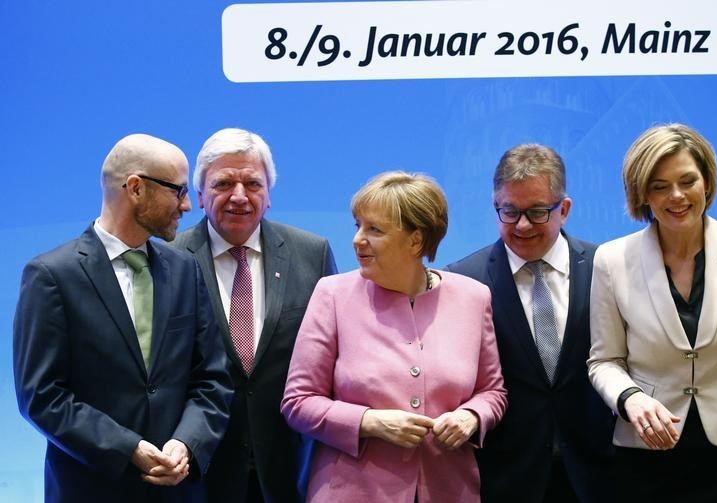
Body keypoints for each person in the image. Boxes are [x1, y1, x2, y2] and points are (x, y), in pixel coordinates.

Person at [12, 134, 233, 502]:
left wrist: (186, 443)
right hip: (89, 488)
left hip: (178, 491)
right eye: (178, 191)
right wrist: (128, 448)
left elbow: (212, 377)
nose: (187, 206)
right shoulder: (51, 275)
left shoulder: (185, 271)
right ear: (135, 188)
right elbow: (42, 396)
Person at [588, 123, 717, 502]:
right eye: (659, 185)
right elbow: (604, 361)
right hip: (645, 454)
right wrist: (630, 398)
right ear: (642, 195)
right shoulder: (612, 260)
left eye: (688, 181)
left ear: (707, 183)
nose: (677, 196)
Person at [281, 171, 507, 502]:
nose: (358, 239)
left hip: (449, 489)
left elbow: (492, 392)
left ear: (416, 241)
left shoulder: (473, 297)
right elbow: (298, 402)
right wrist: (370, 422)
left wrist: (470, 417)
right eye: (357, 225)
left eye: (374, 230)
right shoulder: (332, 294)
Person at [172, 127, 337, 502]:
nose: (239, 196)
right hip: (199, 470)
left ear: (269, 195)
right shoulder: (168, 259)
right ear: (199, 195)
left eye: (253, 183)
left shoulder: (311, 253)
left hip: (291, 466)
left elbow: (338, 353)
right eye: (223, 183)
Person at [447, 144, 616, 502]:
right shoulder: (464, 280)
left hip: (599, 473)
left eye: (537, 212)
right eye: (509, 211)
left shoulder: (608, 267)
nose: (522, 225)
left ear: (564, 209)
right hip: (506, 478)